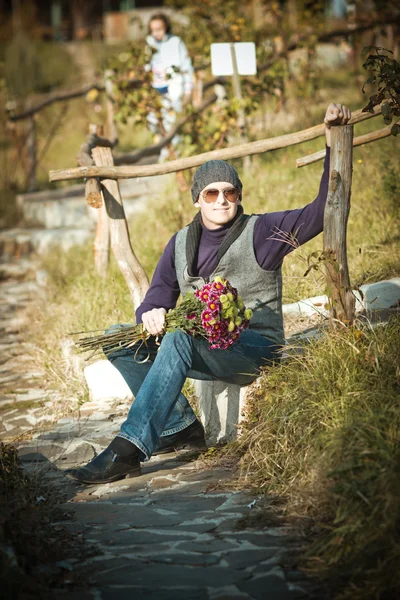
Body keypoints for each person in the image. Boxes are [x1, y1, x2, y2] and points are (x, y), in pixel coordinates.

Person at [68, 103, 351, 485]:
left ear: (238, 195)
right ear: (197, 199)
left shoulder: (263, 231)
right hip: (207, 348)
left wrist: (334, 142)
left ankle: (128, 448)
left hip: (255, 348)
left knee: (181, 336)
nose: (221, 199)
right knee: (118, 339)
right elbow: (156, 297)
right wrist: (149, 313)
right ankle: (178, 429)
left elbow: (320, 212)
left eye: (229, 192)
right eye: (212, 192)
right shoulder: (180, 242)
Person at [145, 13, 194, 161]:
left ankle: (172, 154)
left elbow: (186, 66)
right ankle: (164, 148)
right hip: (156, 88)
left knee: (172, 121)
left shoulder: (176, 42)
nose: (157, 33)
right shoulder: (149, 43)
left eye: (159, 29)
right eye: (153, 30)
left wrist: (188, 88)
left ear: (165, 27)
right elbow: (147, 64)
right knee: (154, 120)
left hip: (174, 87)